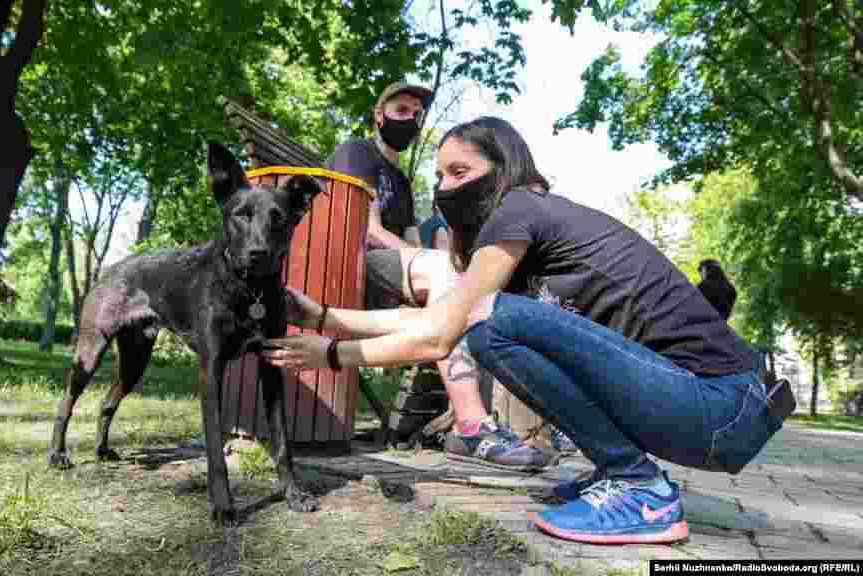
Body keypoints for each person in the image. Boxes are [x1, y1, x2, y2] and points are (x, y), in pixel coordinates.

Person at [264, 117, 784, 544]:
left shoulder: (520, 209)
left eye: (460, 172)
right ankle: (619, 474)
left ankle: (639, 488)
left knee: (490, 325)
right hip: (715, 414)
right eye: (440, 176)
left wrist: (331, 355)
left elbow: (439, 336)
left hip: (721, 406)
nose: (444, 188)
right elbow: (438, 318)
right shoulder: (522, 239)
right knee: (486, 320)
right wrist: (326, 318)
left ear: (503, 168)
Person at [327, 82, 556, 471]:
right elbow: (368, 230)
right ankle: (471, 426)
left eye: (417, 114)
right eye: (401, 110)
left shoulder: (400, 180)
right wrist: (440, 267)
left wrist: (455, 275)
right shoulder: (357, 153)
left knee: (478, 292)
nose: (410, 119)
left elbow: (413, 239)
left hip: (397, 273)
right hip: (351, 267)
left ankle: (512, 428)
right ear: (379, 115)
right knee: (448, 273)